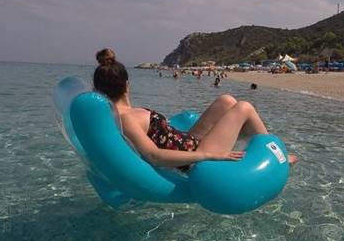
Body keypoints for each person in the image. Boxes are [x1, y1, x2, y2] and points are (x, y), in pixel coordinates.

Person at [93, 48, 296, 169]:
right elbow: (154, 156)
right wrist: (209, 155)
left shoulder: (122, 114)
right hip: (196, 157)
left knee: (226, 100)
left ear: (99, 90)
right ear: (127, 84)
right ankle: (277, 156)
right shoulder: (127, 118)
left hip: (188, 142)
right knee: (244, 107)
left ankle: (249, 138)